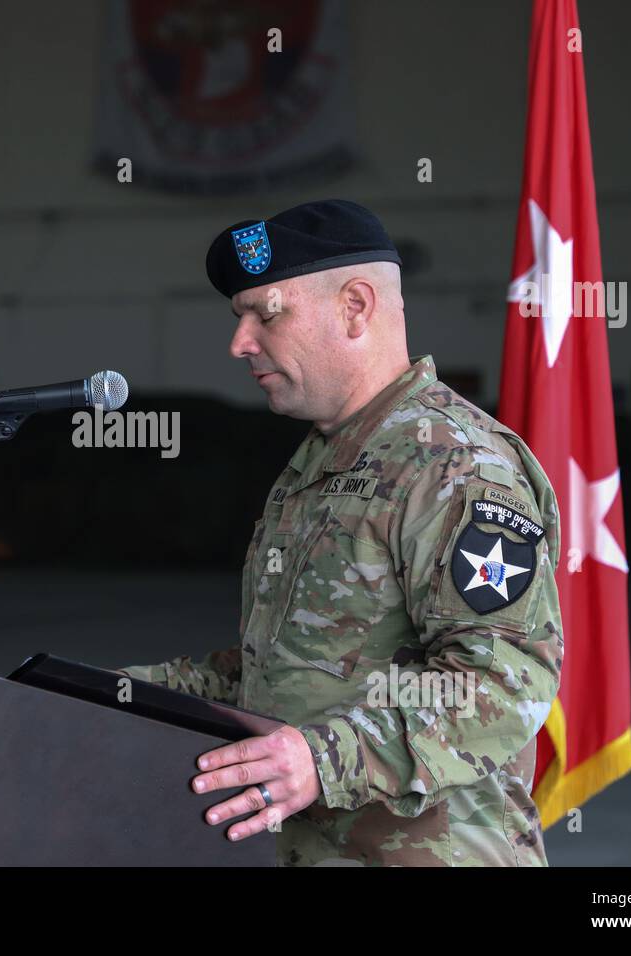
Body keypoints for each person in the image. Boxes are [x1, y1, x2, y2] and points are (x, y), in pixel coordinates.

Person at [119, 200, 563, 866]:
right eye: (238, 317)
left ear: (356, 307)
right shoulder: (324, 460)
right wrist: (111, 695)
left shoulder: (457, 463)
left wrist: (318, 758)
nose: (240, 342)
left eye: (265, 314)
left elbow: (505, 684)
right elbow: (289, 671)